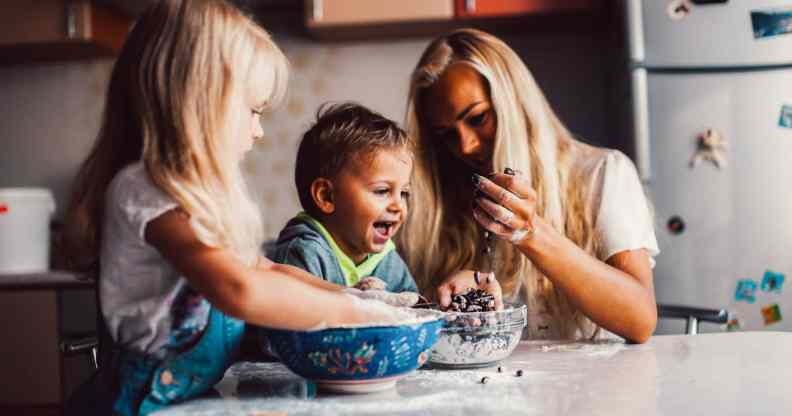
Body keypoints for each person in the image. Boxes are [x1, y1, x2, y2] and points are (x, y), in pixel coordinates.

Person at [61, 1, 401, 414]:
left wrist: (352, 296)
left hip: (187, 401)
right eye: (253, 111)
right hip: (138, 405)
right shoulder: (143, 190)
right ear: (198, 102)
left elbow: (264, 270)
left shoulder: (196, 198)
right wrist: (351, 314)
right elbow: (236, 288)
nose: (258, 131)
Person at [399, 28, 659, 343]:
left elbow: (640, 320)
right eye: (447, 134)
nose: (465, 146)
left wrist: (531, 232)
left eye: (478, 118)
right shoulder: (441, 198)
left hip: (594, 385)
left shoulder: (601, 174)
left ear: (513, 103)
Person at [271, 103, 418, 296]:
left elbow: (415, 309)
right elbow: (295, 317)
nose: (398, 205)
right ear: (326, 196)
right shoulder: (303, 252)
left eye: (404, 193)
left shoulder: (387, 259)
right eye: (382, 191)